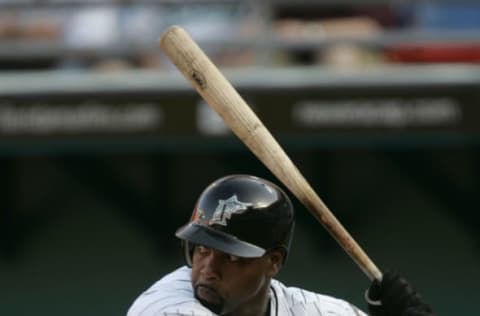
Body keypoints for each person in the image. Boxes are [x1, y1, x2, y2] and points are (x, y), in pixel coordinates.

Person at [127, 174, 434, 316]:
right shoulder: (165, 306)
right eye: (202, 250)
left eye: (231, 258)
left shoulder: (316, 311)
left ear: (273, 261)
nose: (209, 270)